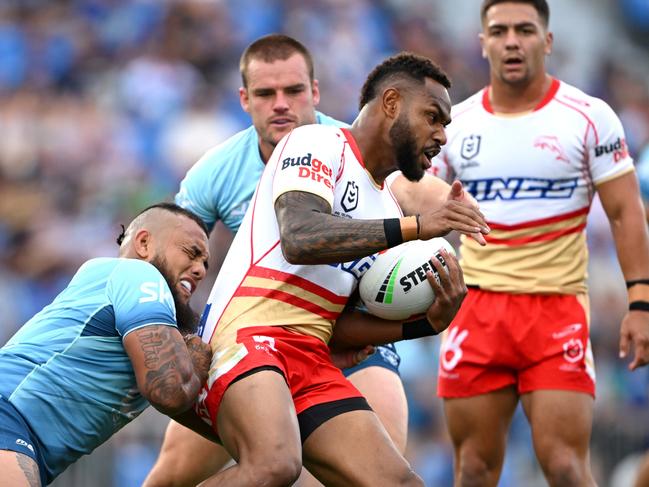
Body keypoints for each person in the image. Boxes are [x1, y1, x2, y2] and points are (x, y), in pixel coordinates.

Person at [144, 34, 482, 487]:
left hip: (311, 356)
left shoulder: (384, 208)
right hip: (245, 340)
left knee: (401, 483)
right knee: (274, 465)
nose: (442, 135)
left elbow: (337, 327)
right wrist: (419, 226)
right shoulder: (317, 143)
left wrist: (428, 324)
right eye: (432, 117)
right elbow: (300, 238)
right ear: (392, 103)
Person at [426, 1, 649, 486]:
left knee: (566, 466)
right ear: (482, 42)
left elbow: (625, 210)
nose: (511, 40)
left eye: (524, 29)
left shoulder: (590, 117)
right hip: (477, 311)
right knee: (475, 469)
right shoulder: (456, 125)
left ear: (547, 41)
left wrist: (641, 302)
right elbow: (421, 206)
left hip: (556, 310)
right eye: (499, 30)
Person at [0, 203, 214, 487]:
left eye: (205, 264)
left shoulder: (144, 320)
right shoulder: (139, 276)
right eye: (191, 253)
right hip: (8, 416)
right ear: (144, 243)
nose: (200, 270)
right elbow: (170, 391)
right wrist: (199, 358)